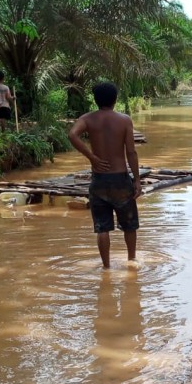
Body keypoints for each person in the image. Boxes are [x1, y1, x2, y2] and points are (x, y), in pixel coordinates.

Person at [68, 82, 141, 269]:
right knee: (129, 225)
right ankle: (131, 260)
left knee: (102, 227)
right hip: (120, 179)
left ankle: (106, 267)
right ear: (115, 99)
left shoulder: (88, 119)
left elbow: (72, 135)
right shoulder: (124, 120)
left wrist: (92, 157)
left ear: (95, 99)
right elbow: (131, 152)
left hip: (99, 180)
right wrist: (137, 180)